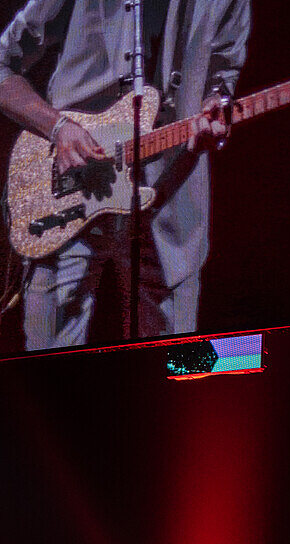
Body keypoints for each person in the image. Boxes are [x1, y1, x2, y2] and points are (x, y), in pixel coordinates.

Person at [0, 0, 251, 349]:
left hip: (171, 193)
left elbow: (224, 72)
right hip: (71, 189)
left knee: (176, 368)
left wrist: (216, 101)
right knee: (48, 366)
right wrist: (57, 126)